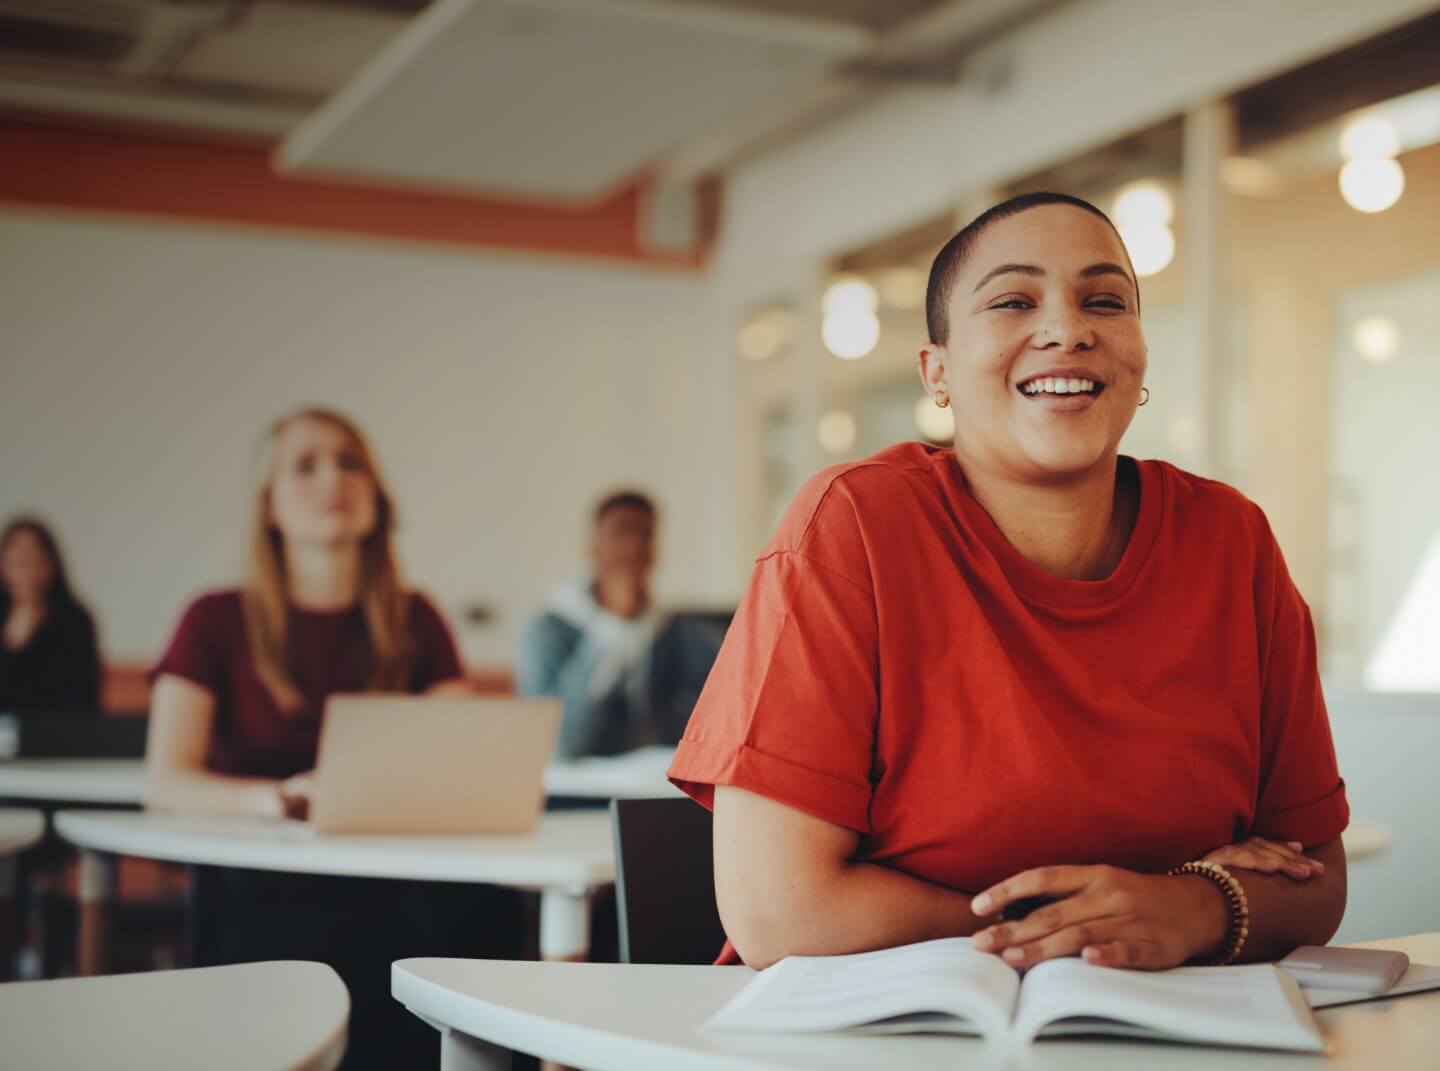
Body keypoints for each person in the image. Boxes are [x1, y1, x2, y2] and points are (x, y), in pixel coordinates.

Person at [669, 193, 1349, 973]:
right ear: (939, 371)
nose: (1069, 328)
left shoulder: (1234, 542)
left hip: (1166, 1034)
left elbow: (1315, 878)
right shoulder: (852, 525)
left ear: (1139, 355)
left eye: (1105, 301)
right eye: (1014, 301)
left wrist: (1190, 907)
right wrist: (1093, 927)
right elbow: (777, 910)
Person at [144, 407, 514, 1069]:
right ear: (270, 507)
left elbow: (469, 758)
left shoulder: (416, 618)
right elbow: (166, 779)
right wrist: (279, 799)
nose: (332, 479)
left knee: (489, 919)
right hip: (265, 887)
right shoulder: (213, 619)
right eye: (305, 464)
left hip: (396, 882)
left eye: (350, 462)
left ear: (376, 496)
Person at [518, 490, 721, 759]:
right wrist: (613, 629)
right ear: (593, 547)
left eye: (644, 534)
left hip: (656, 784)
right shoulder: (548, 630)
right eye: (620, 532)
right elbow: (562, 744)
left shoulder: (678, 632)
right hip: (575, 790)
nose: (632, 545)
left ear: (655, 552)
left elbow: (714, 723)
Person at [0, 517, 101, 714]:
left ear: (50, 564)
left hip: (57, 734)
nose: (26, 571)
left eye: (35, 560)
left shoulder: (75, 622)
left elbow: (83, 696)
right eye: (18, 562)